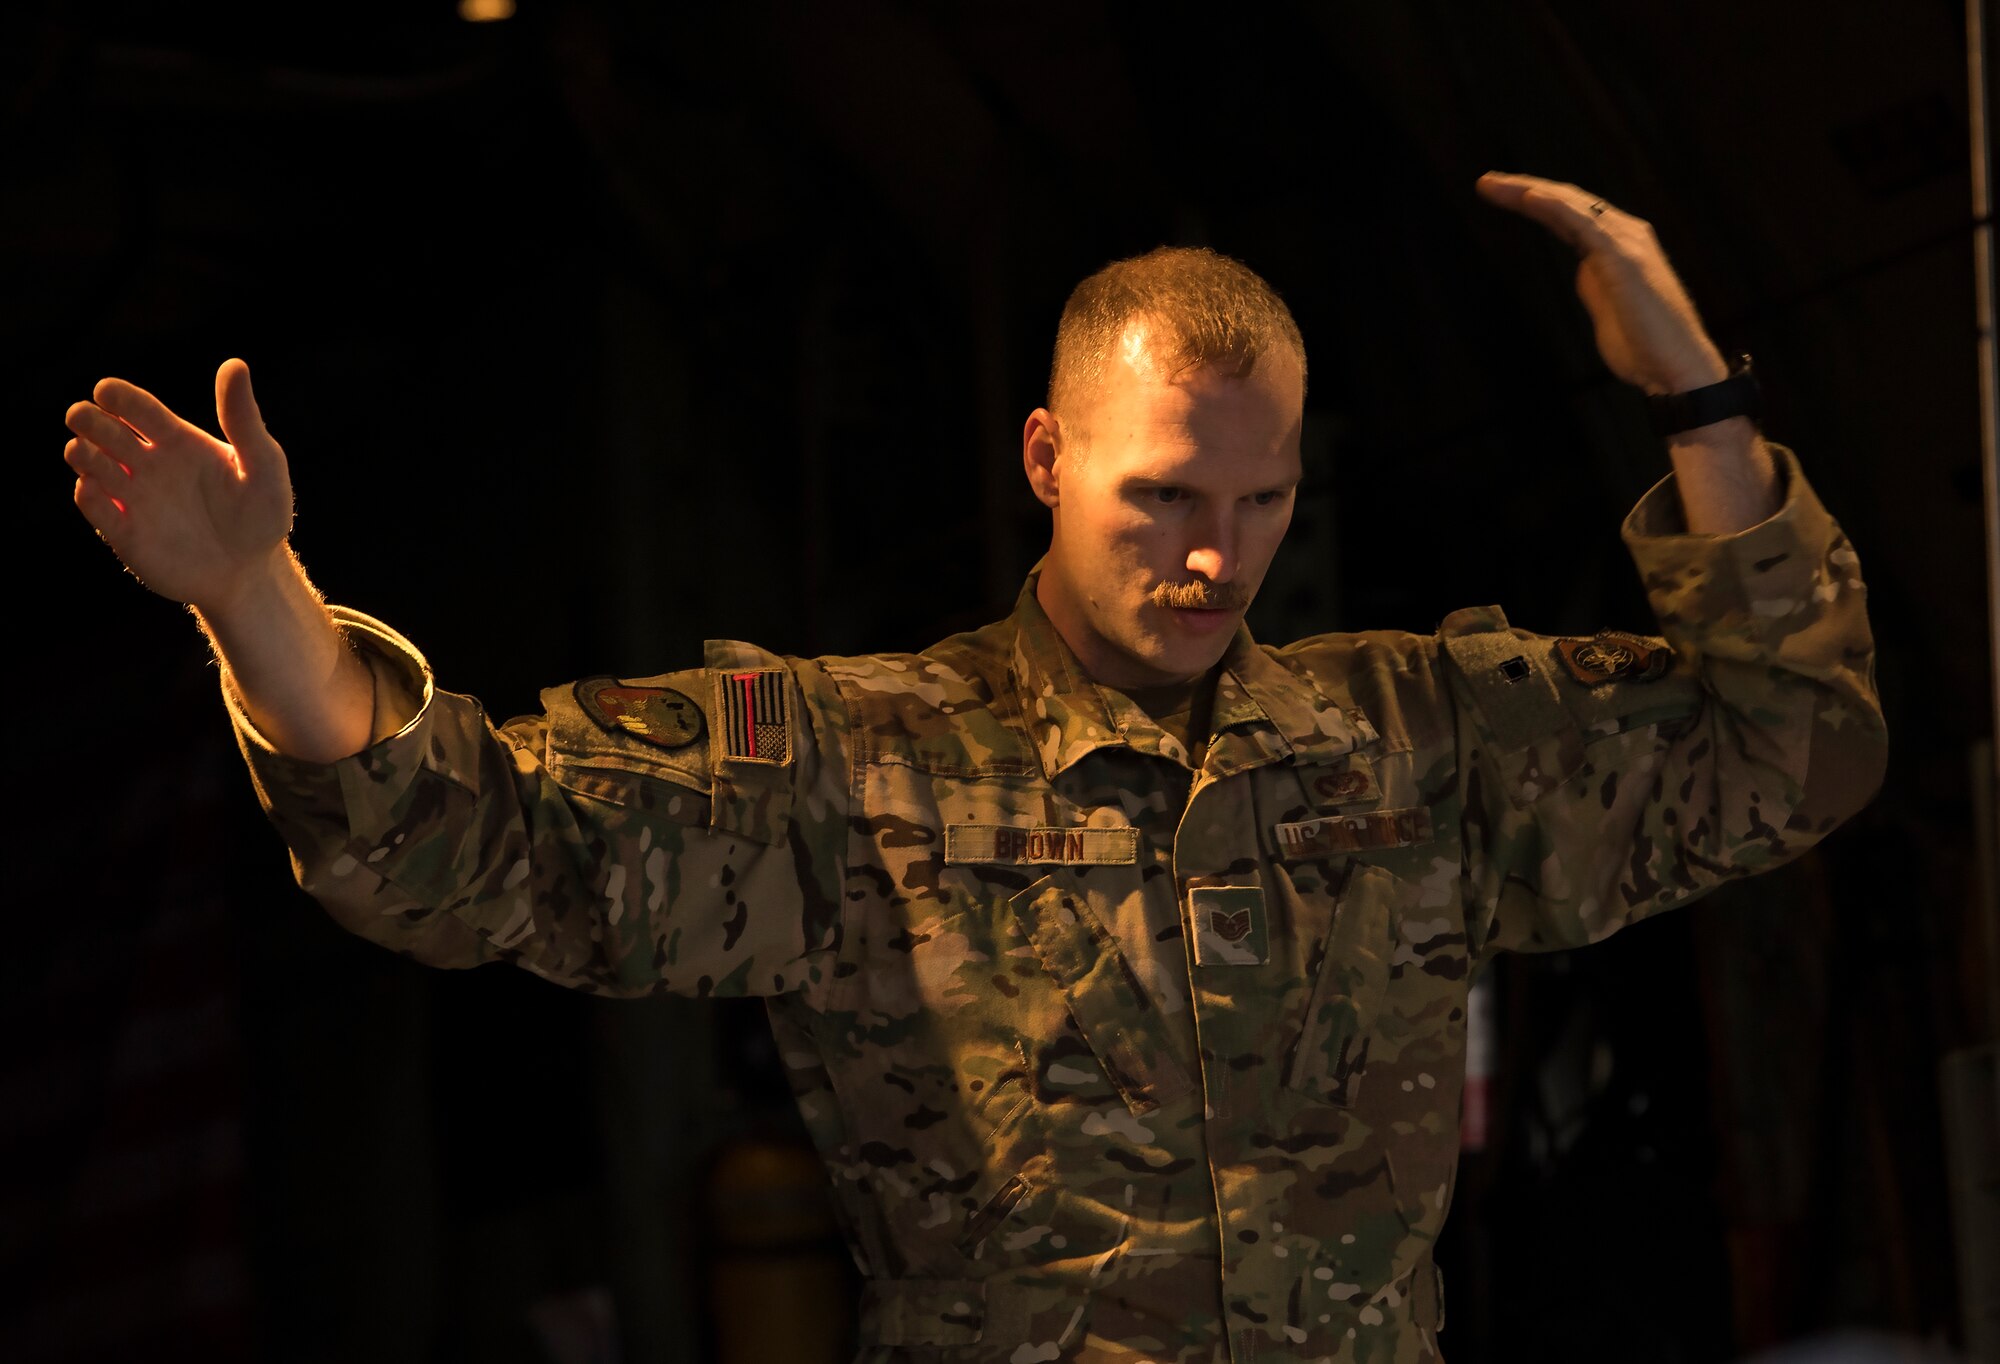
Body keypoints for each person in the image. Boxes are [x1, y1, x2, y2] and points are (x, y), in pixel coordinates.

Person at [64, 171, 1886, 1364]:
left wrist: (1700, 401)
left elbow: (1790, 747)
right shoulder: (866, 766)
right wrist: (257, 598)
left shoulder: (1412, 738)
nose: (1212, 556)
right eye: (1160, 493)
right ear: (1043, 454)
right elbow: (469, 848)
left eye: (1260, 504)